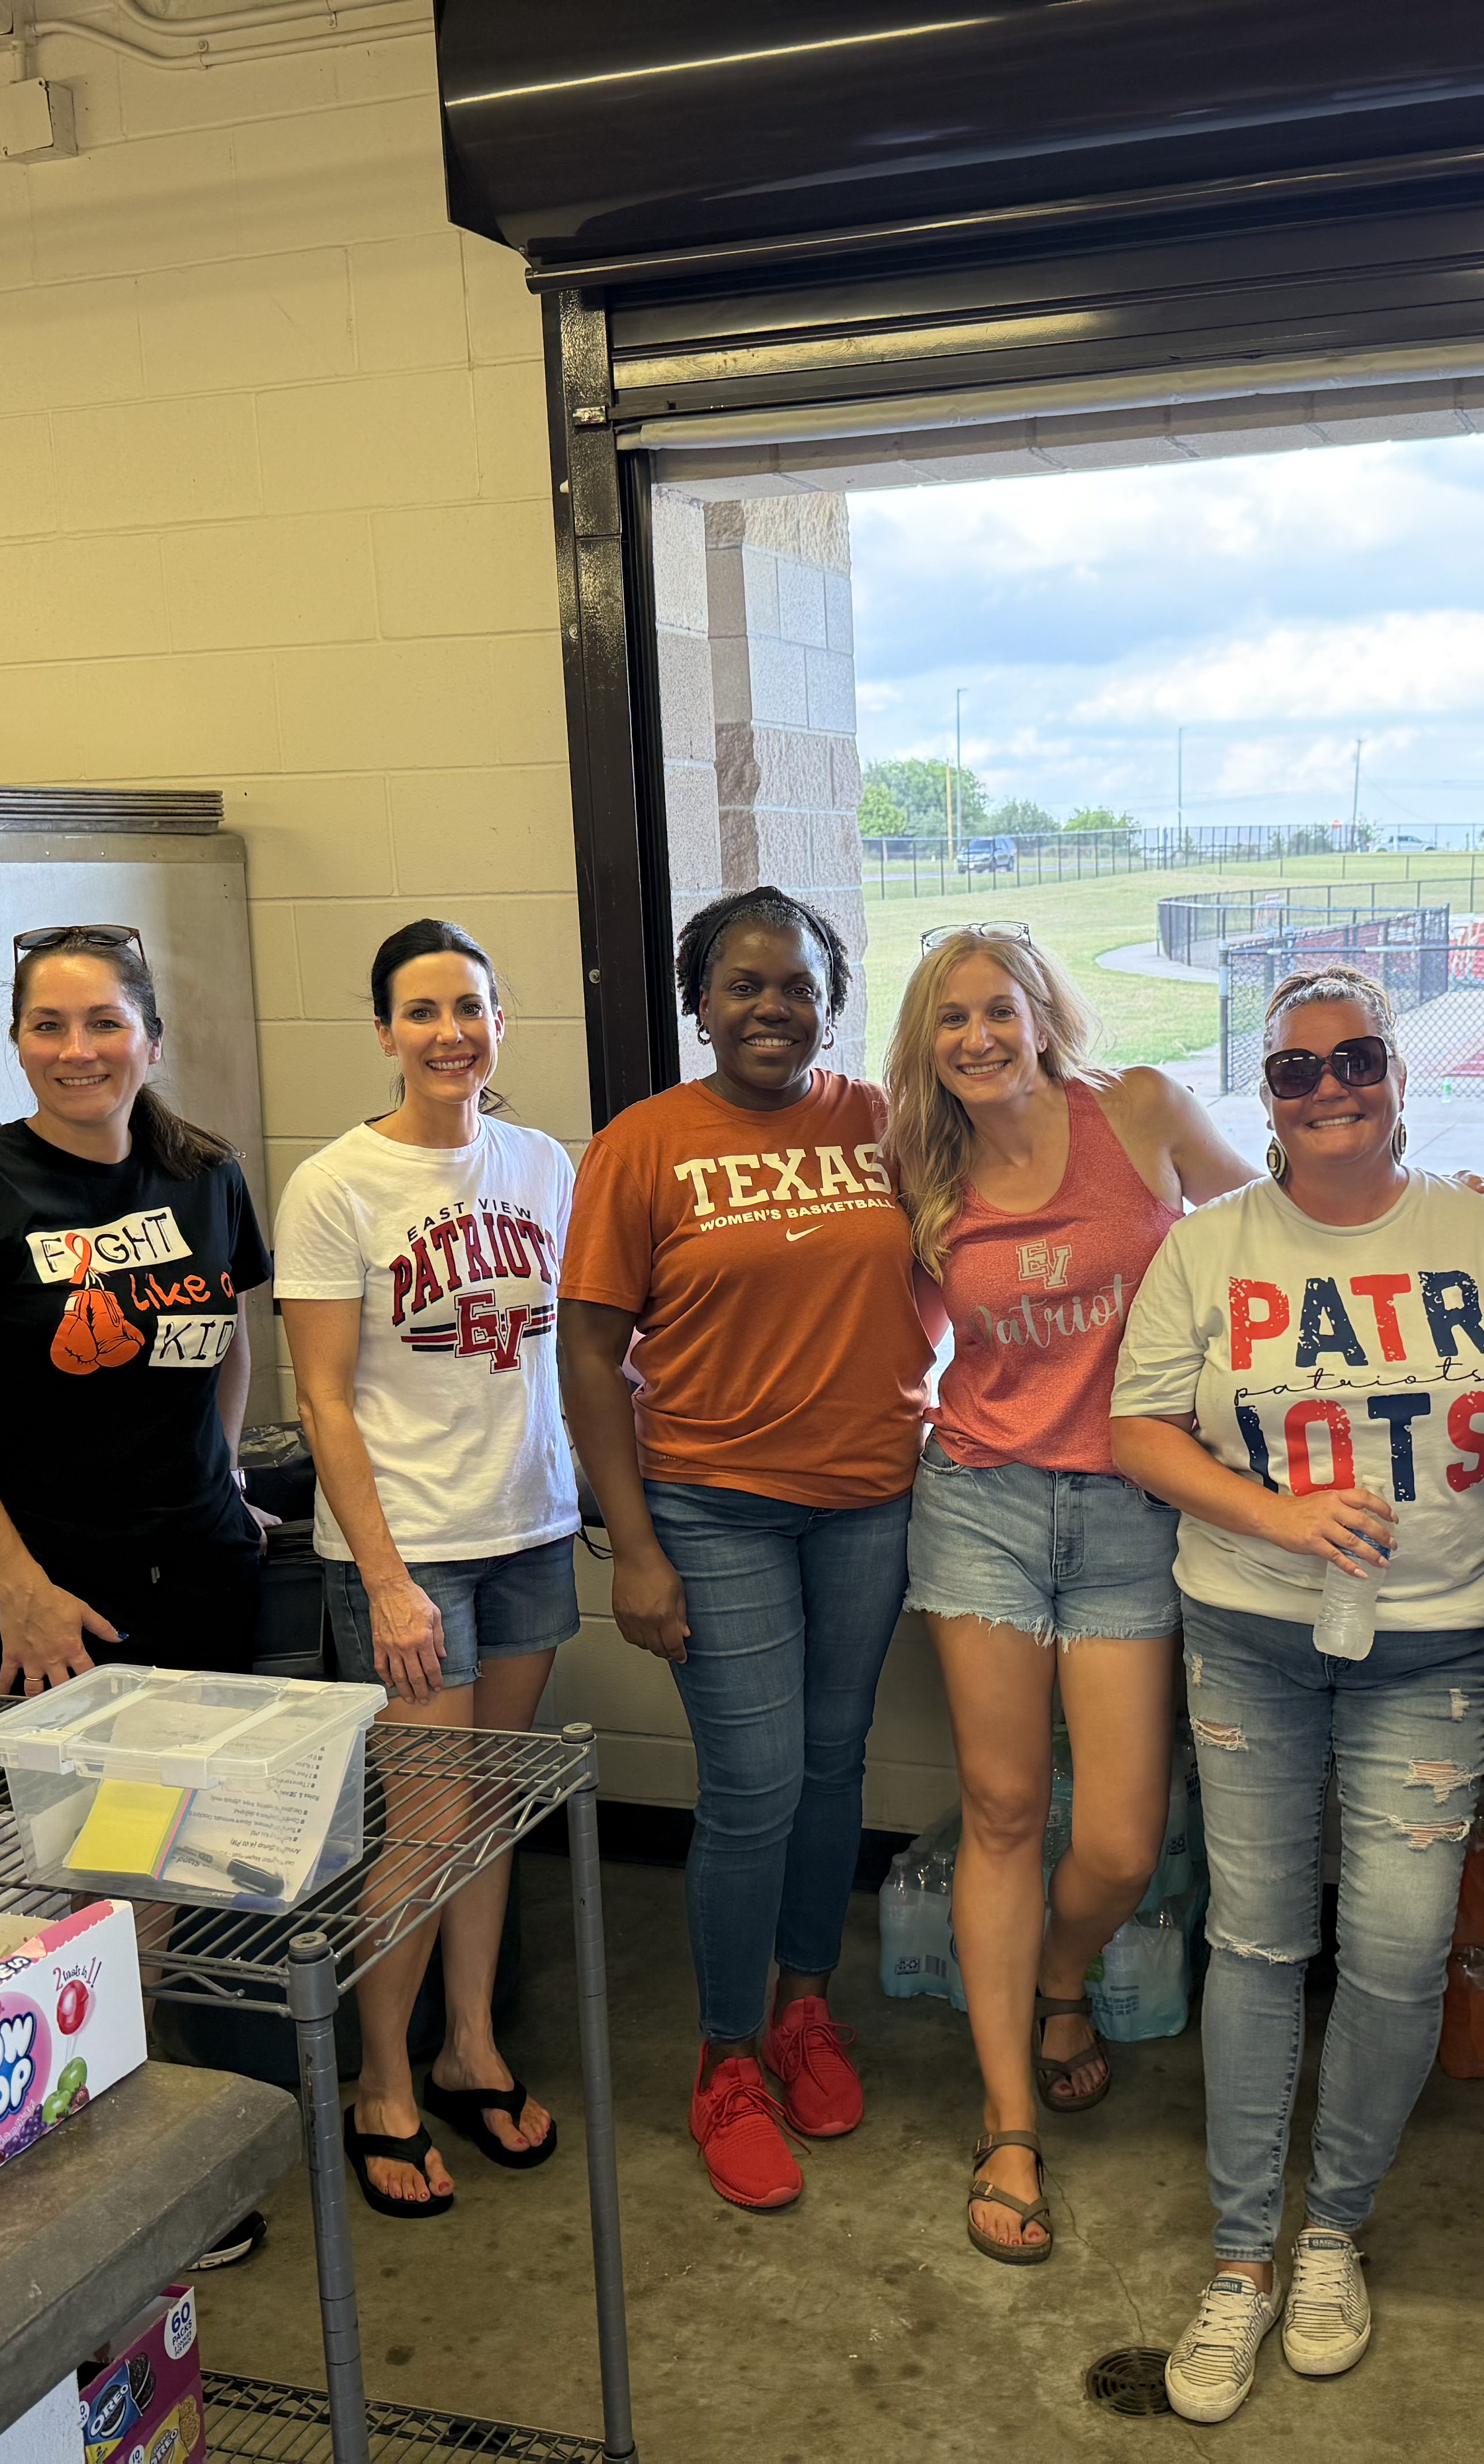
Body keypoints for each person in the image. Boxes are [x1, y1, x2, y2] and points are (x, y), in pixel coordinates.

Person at [1109, 965, 1484, 2423]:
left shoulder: (1483, 1236)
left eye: (1355, 1061)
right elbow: (1138, 1431)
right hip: (1249, 1628)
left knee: (1393, 1946)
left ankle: (1334, 2231)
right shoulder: (1208, 1246)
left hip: (1437, 1638)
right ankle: (1242, 2257)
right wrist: (1276, 1516)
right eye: (1298, 1071)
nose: (1329, 1091)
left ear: (1395, 1075)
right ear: (1268, 1096)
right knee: (1258, 1940)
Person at [558, 886, 946, 2213]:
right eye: (743, 985)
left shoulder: (889, 1127)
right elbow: (590, 1353)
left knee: (835, 1764)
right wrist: (632, 1543)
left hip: (869, 1499)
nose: (771, 1007)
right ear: (699, 1000)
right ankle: (723, 2062)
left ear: (832, 1001)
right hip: (712, 1507)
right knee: (754, 1784)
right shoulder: (644, 1146)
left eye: (797, 986)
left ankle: (802, 2009)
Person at [877, 926, 1253, 2265]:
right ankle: (1006, 2118)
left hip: (1130, 1501)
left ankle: (1059, 1974)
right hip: (977, 1498)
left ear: (1043, 1015)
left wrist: (1437, 1204)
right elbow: (905, 1326)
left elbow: (1262, 1232)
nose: (977, 1037)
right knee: (1001, 1810)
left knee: (1119, 1842)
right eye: (948, 1021)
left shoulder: (1140, 1110)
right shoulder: (919, 1162)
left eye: (999, 1010)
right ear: (927, 1045)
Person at [278, 920, 575, 2221]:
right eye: (422, 1009)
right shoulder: (336, 1184)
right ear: (386, 1032)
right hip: (409, 1554)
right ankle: (381, 2080)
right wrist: (388, 1583)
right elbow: (325, 1401)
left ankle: (470, 2044)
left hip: (528, 1527)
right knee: (428, 1826)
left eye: (472, 1005)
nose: (450, 1030)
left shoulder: (541, 1165)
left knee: (493, 1809)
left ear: (500, 1024)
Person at [0, 925, 272, 1692]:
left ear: (151, 1042)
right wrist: (22, 1591)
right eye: (48, 1026)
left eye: (105, 1023)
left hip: (208, 1576)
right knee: (69, 1817)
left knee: (208, 1809)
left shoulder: (207, 1176)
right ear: (19, 1044)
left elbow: (227, 1343)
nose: (76, 1050)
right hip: (55, 1598)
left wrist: (223, 1484)